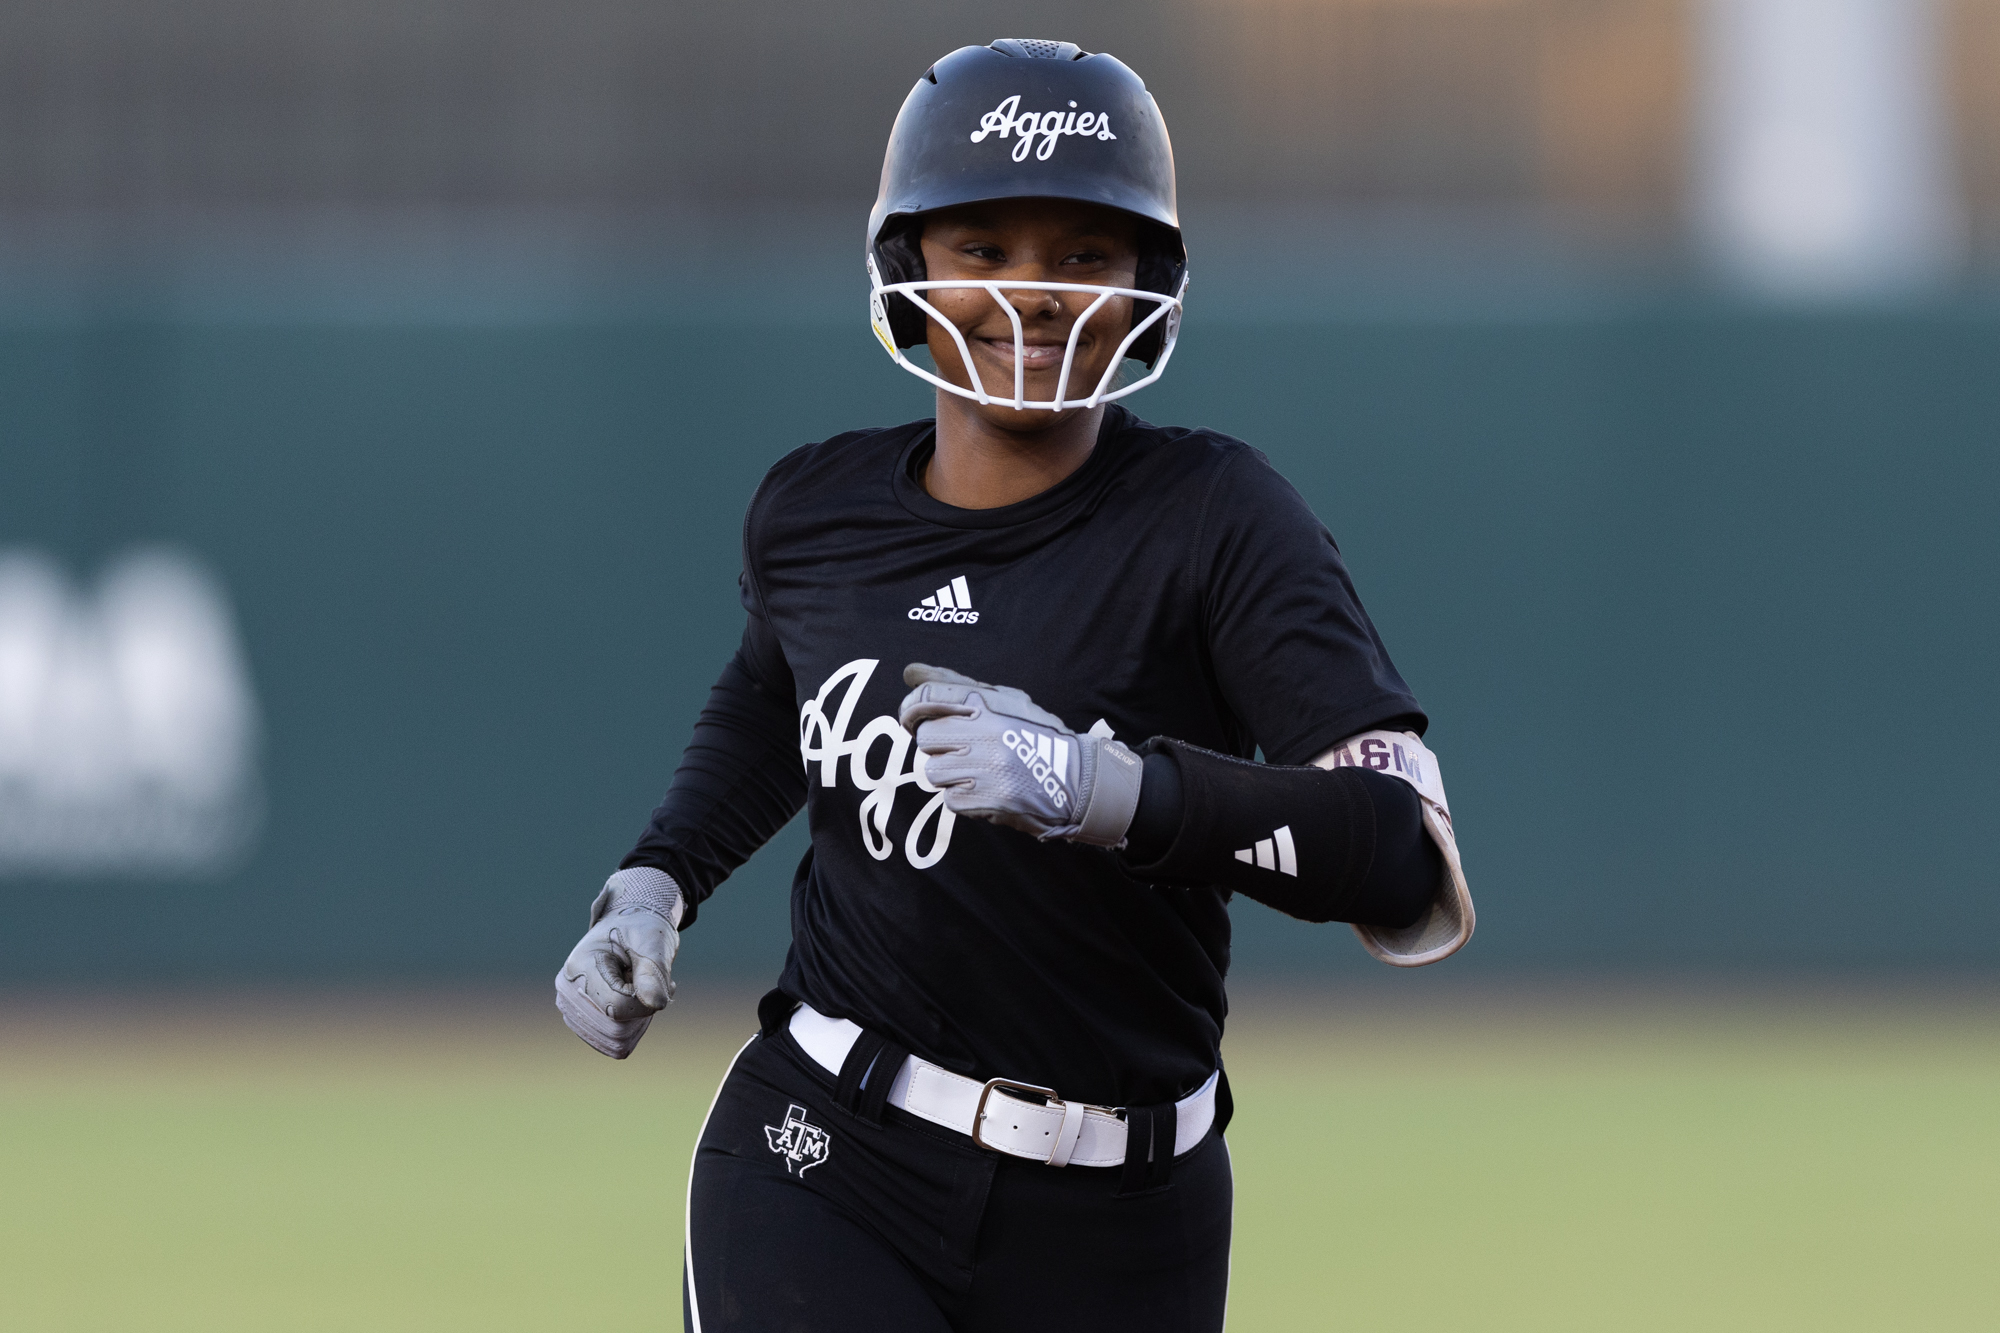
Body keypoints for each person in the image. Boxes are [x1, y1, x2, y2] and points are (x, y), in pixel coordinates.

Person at [555, 37, 1474, 1333]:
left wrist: (1108, 791)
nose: (1032, 294)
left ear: (1149, 279)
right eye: (984, 248)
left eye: (1082, 256)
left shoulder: (1220, 518)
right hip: (829, 1154)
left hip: (1132, 1216)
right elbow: (777, 695)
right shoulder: (813, 510)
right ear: (909, 263)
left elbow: (1397, 859)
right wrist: (657, 877)